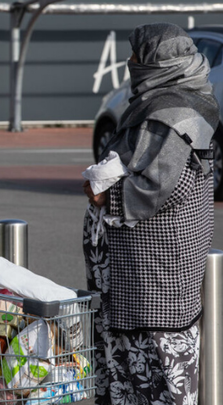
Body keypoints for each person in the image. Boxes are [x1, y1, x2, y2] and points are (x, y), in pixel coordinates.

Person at [82, 23, 218, 404]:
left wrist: (104, 199)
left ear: (158, 62)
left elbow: (159, 185)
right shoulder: (181, 98)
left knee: (154, 374)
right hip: (152, 271)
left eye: (138, 56)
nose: (131, 62)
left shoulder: (169, 112)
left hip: (153, 275)